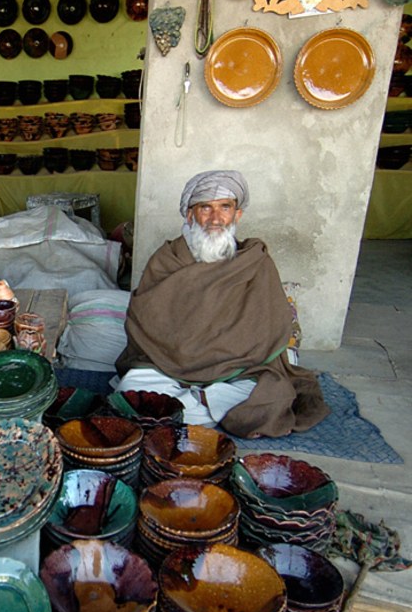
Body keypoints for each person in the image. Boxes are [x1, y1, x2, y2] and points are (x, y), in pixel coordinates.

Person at [114, 170, 329, 438]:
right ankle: (205, 405)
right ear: (190, 215)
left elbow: (269, 326)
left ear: (237, 215)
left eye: (225, 207)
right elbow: (147, 320)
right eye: (206, 207)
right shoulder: (168, 259)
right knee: (131, 387)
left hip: (238, 368)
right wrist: (189, 353)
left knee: (272, 394)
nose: (216, 218)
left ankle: (183, 409)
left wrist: (221, 353)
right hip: (169, 366)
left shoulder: (255, 261)